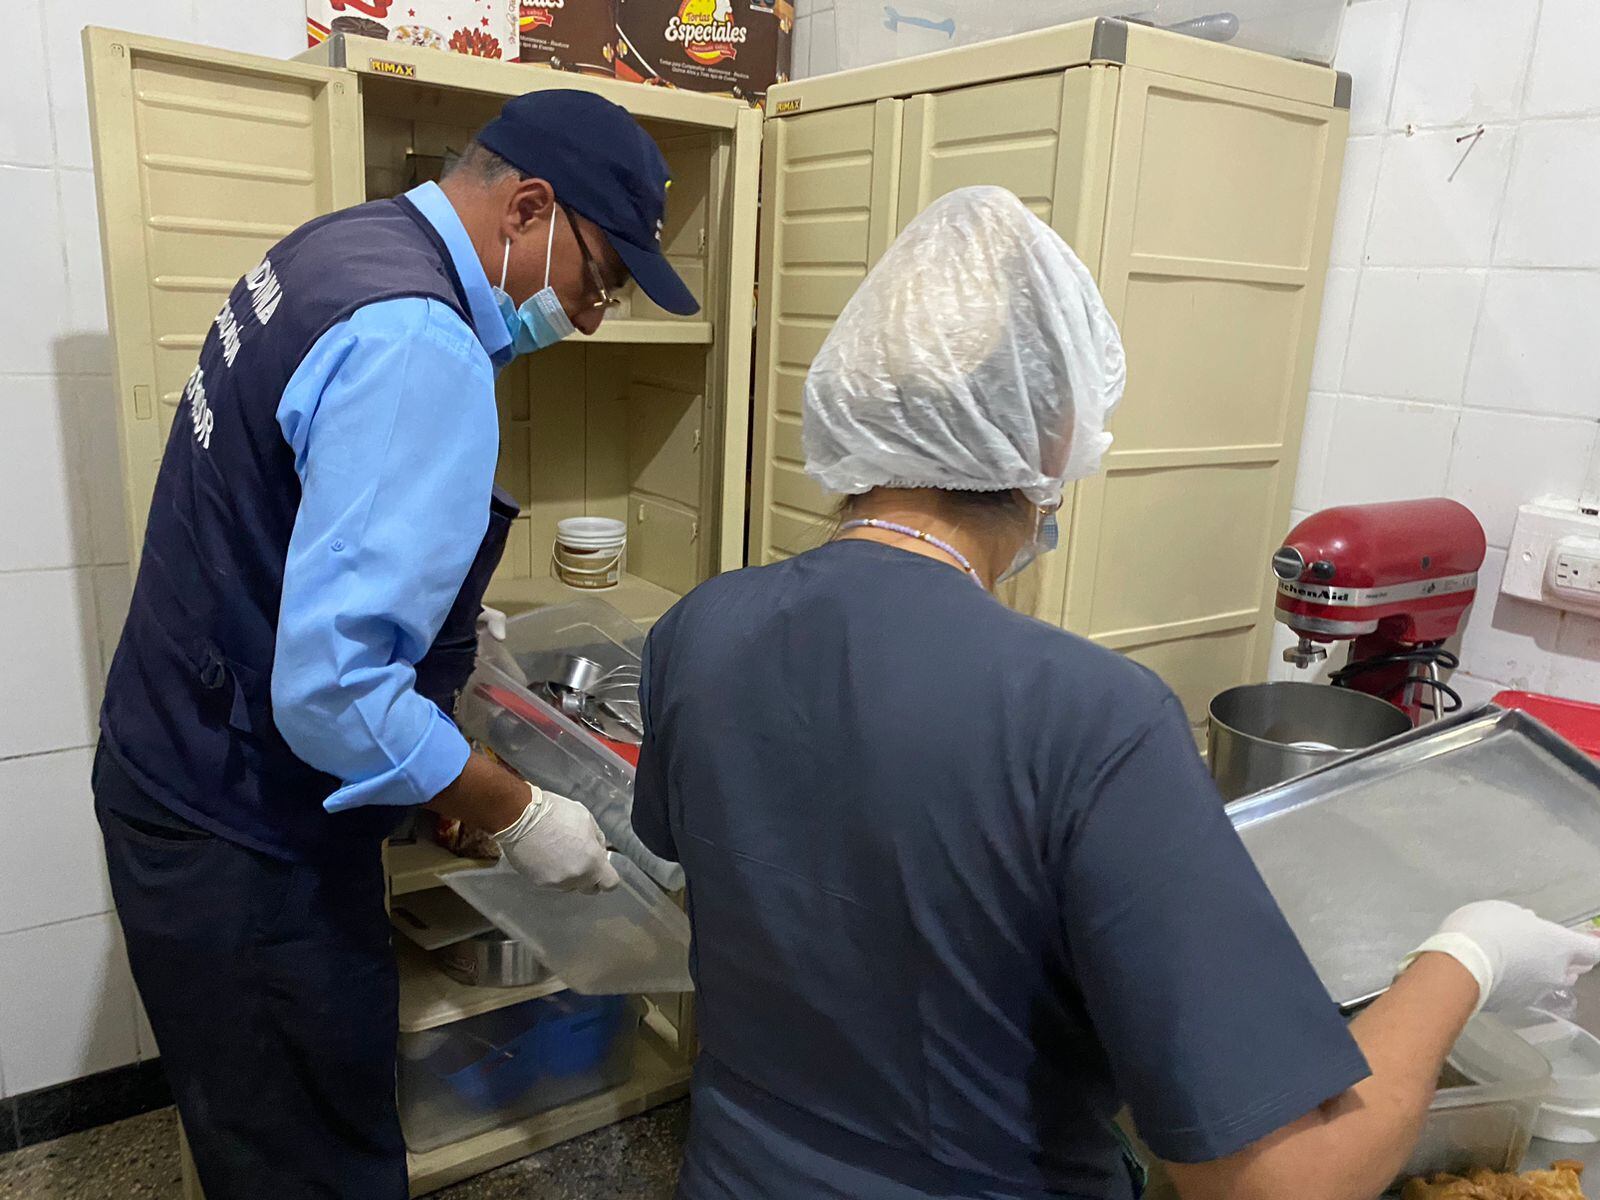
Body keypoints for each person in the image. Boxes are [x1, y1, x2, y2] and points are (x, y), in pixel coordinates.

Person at [630, 186, 1600, 1200]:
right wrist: (1467, 958)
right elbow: (1280, 1182)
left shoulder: (700, 627)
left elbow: (765, 895)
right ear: (1052, 441)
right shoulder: (1089, 715)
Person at [92, 90, 699, 1198]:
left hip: (171, 753)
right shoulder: (420, 343)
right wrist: (515, 812)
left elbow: (289, 530)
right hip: (241, 828)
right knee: (314, 1160)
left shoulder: (343, 245)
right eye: (599, 279)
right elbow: (331, 690)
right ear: (528, 209)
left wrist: (435, 681)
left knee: (257, 1138)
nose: (596, 317)